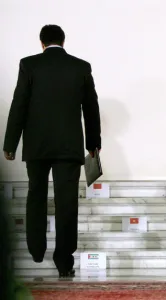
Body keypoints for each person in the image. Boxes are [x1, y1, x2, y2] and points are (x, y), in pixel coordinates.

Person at [3, 24, 101, 278]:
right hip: (69, 147)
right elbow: (91, 107)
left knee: (36, 194)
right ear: (63, 41)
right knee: (66, 202)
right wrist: (93, 143)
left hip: (37, 145)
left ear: (42, 42)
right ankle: (64, 260)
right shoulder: (80, 66)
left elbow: (19, 104)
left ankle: (36, 250)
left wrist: (10, 144)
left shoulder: (29, 64)